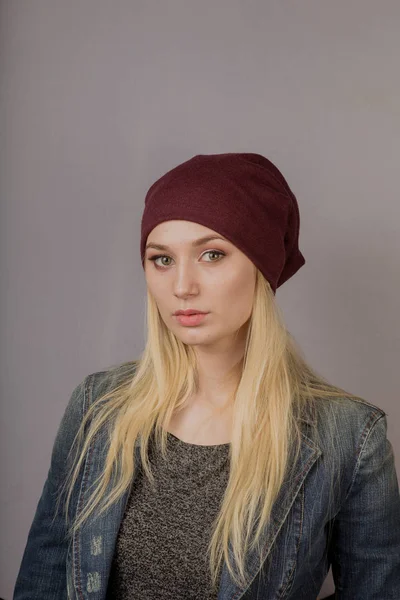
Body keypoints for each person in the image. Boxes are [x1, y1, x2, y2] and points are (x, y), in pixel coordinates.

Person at [14, 153, 400, 600]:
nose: (182, 285)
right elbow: (43, 579)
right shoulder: (97, 406)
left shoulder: (349, 436)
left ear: (262, 268)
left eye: (211, 254)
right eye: (161, 259)